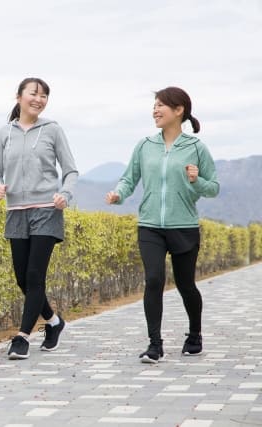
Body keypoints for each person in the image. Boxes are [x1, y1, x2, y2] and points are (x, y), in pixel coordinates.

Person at [105, 86, 219, 364]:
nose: (155, 110)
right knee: (154, 280)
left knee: (185, 284)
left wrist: (197, 180)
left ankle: (194, 335)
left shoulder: (196, 148)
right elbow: (129, 178)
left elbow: (213, 188)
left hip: (184, 226)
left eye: (161, 106)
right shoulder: (145, 145)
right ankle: (154, 344)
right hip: (150, 225)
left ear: (178, 110)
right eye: (154, 105)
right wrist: (119, 194)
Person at [0, 77, 78, 360]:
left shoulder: (52, 130)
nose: (39, 99)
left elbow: (71, 170)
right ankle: (53, 322)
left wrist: (65, 193)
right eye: (34, 94)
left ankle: (22, 337)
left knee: (35, 275)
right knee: (22, 279)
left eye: (44, 96)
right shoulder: (4, 133)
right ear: (19, 97)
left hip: (46, 209)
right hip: (16, 212)